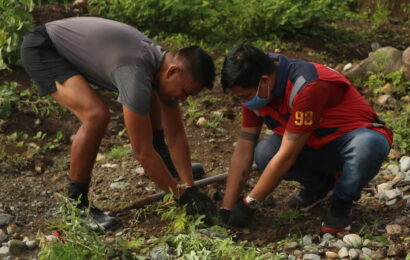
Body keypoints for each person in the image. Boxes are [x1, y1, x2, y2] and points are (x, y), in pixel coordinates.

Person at [20, 17, 216, 230]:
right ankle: (75, 204)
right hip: (44, 48)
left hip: (78, 46)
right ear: (173, 71)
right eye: (185, 92)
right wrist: (180, 198)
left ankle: (165, 163)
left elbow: (176, 134)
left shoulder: (163, 65)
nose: (183, 99)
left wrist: (189, 187)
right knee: (96, 114)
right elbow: (141, 151)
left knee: (151, 90)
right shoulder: (135, 72)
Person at [218, 44, 392, 233]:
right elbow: (244, 147)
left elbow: (287, 156)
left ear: (265, 80)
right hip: (312, 143)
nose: (245, 103)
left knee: (367, 145)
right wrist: (227, 208)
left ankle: (341, 203)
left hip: (348, 139)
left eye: (245, 96)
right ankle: (321, 187)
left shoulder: (307, 86)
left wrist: (249, 203)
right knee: (265, 153)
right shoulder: (256, 90)